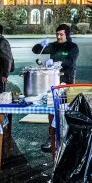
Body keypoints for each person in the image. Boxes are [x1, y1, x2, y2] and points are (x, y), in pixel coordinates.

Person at [32, 24, 79, 152]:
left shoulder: (72, 47)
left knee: (64, 111)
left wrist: (57, 62)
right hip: (53, 81)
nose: (58, 37)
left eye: (61, 34)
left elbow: (71, 62)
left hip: (67, 81)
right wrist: (41, 45)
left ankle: (65, 137)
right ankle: (52, 137)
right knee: (53, 110)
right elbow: (35, 50)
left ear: (67, 35)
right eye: (57, 34)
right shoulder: (53, 45)